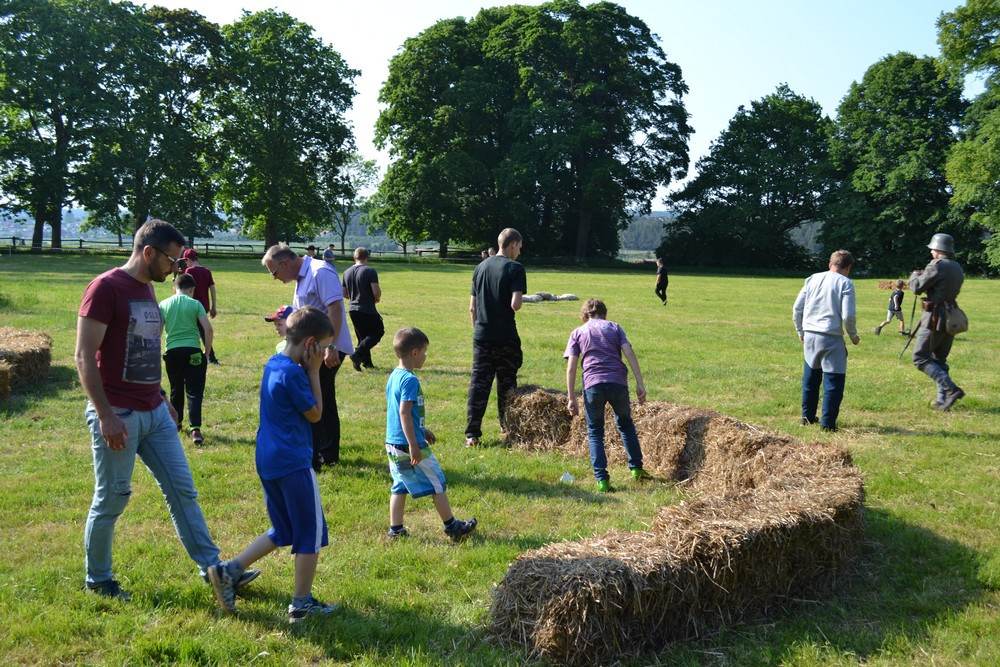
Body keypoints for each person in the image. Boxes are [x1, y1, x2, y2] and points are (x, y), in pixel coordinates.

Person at [75, 219, 258, 600]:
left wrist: (160, 397)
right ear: (148, 253)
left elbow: (142, 351)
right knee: (112, 498)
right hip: (118, 414)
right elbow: (83, 358)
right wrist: (105, 415)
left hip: (154, 413)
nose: (177, 269)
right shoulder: (105, 288)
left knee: (183, 490)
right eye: (173, 261)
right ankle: (99, 580)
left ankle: (215, 570)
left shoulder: (145, 289)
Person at [208, 307, 338, 622]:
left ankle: (229, 571)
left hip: (268, 458)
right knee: (309, 532)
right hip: (293, 461)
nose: (324, 352)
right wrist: (315, 371)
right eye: (322, 346)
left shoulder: (275, 363)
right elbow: (316, 413)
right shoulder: (297, 373)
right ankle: (301, 603)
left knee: (284, 528)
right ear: (311, 345)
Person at [262, 243, 353, 469]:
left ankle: (325, 454)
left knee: (320, 399)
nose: (274, 278)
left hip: (325, 350)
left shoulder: (319, 271)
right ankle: (321, 450)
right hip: (312, 351)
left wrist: (330, 347)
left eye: (274, 273)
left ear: (285, 264)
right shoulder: (303, 278)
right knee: (316, 396)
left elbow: (335, 309)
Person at [385, 327, 478, 541]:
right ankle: (452, 526)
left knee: (399, 484)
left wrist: (422, 429)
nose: (426, 357)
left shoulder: (394, 376)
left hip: (392, 442)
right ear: (415, 353)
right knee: (437, 481)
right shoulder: (409, 380)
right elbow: (404, 412)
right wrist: (414, 444)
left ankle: (396, 529)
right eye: (425, 352)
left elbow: (401, 414)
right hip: (408, 443)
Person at [565, 298, 648, 492]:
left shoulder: (578, 332)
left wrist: (571, 398)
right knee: (626, 424)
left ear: (585, 316)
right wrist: (639, 382)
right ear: (604, 314)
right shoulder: (614, 327)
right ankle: (636, 469)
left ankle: (602, 480)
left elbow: (571, 368)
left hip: (593, 385)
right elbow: (629, 352)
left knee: (594, 431)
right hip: (618, 382)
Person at [465, 228, 526, 447]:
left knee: (479, 384)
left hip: (482, 335)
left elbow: (472, 308)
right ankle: (507, 427)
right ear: (513, 244)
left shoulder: (480, 267)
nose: (519, 251)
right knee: (507, 383)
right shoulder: (515, 268)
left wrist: (478, 331)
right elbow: (515, 305)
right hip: (505, 336)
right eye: (519, 247)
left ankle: (472, 434)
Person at [792, 250, 861, 432]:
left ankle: (807, 417)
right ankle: (828, 424)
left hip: (810, 335)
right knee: (833, 381)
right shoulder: (846, 283)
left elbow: (797, 308)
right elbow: (848, 315)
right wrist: (853, 335)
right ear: (848, 267)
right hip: (831, 337)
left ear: (830, 264)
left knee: (810, 378)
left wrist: (800, 330)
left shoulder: (812, 278)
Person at [910, 233, 966, 410]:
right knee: (939, 359)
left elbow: (917, 288)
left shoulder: (936, 266)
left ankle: (950, 389)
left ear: (938, 249)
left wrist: (914, 276)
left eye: (932, 249)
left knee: (920, 358)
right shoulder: (956, 266)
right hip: (951, 317)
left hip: (935, 318)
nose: (931, 252)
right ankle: (943, 401)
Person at [160, 273, 212, 445]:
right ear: (192, 290)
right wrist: (207, 351)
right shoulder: (195, 303)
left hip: (172, 352)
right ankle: (195, 429)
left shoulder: (164, 304)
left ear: (174, 289)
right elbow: (208, 329)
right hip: (193, 351)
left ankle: (176, 424)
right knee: (194, 390)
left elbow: (158, 330)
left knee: (176, 388)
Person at [342, 247, 385, 371]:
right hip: (367, 307)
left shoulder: (346, 272)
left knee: (363, 337)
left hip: (352, 308)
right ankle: (357, 354)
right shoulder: (370, 271)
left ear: (354, 257)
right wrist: (376, 298)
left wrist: (354, 297)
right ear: (367, 257)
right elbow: (376, 292)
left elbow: (344, 293)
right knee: (377, 332)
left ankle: (367, 363)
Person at [182, 249, 219, 365]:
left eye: (185, 261)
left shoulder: (189, 271)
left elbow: (184, 288)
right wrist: (213, 306)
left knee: (197, 332)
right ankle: (210, 357)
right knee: (202, 331)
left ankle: (210, 358)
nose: (185, 264)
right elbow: (212, 289)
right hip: (205, 306)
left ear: (188, 260)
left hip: (191, 306)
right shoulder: (207, 271)